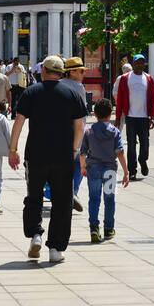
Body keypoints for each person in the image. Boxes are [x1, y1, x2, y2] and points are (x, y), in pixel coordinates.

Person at [8, 55, 87, 264]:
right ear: (61, 73)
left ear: (43, 71)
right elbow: (80, 127)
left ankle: (35, 234)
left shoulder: (31, 92)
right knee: (62, 201)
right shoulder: (72, 93)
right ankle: (55, 248)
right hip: (62, 155)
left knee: (33, 197)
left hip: (36, 154)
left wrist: (13, 149)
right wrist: (74, 150)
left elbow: (19, 121)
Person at [80, 98, 130, 242]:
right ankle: (109, 228)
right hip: (110, 170)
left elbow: (83, 152)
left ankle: (94, 228)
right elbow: (119, 152)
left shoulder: (89, 131)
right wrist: (126, 172)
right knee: (109, 199)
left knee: (94, 199)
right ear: (111, 114)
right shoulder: (114, 132)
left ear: (95, 114)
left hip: (93, 169)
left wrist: (83, 167)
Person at [115, 54, 154, 180]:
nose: (139, 65)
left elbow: (153, 100)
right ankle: (132, 170)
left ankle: (142, 160)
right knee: (131, 145)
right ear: (133, 64)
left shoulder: (149, 79)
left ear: (144, 64)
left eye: (141, 62)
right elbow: (120, 100)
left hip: (144, 117)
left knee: (145, 144)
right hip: (131, 117)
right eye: (137, 62)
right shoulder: (125, 78)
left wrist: (153, 117)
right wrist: (118, 118)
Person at [64, 57, 89, 211]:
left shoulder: (59, 84)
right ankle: (73, 192)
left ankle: (63, 192)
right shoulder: (78, 86)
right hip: (76, 130)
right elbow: (82, 112)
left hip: (61, 131)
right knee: (80, 163)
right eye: (80, 71)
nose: (82, 74)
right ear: (71, 72)